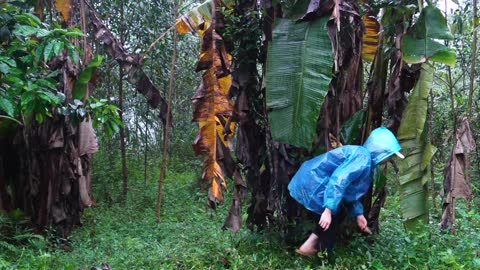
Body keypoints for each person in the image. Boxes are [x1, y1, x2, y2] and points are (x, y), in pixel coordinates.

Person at [288, 127, 404, 256]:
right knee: (330, 226)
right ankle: (323, 260)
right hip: (314, 183)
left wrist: (359, 214)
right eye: (389, 155)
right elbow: (339, 180)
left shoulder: (366, 161)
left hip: (316, 183)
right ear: (381, 151)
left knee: (334, 218)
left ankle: (308, 247)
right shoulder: (362, 158)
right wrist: (327, 210)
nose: (388, 159)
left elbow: (351, 192)